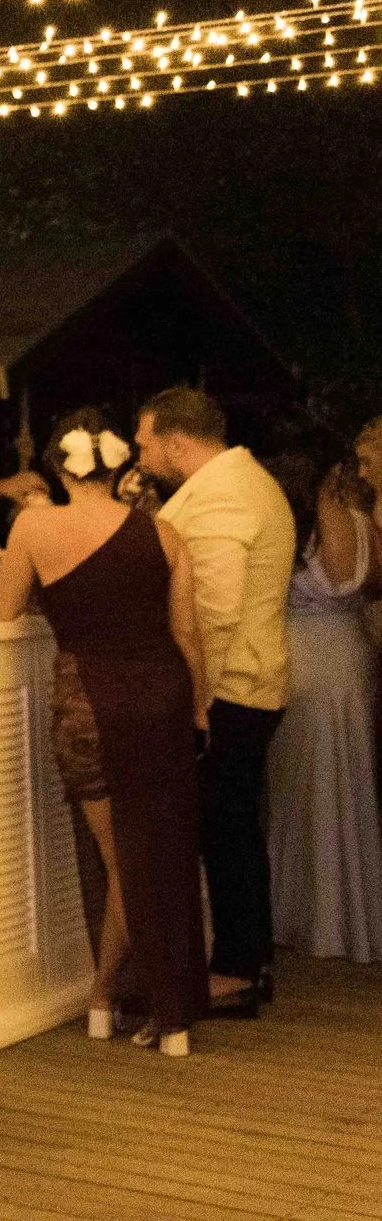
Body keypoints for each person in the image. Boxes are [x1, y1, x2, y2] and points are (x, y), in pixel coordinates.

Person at [0, 410, 209, 1052]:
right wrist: (198, 709)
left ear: (60, 467)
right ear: (120, 467)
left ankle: (108, 998)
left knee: (120, 862)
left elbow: (3, 610)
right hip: (162, 698)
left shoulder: (35, 524)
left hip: (88, 700)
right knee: (159, 854)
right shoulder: (165, 534)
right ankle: (165, 1016)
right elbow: (188, 636)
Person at [138, 386, 295, 1015]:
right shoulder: (247, 481)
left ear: (177, 443)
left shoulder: (225, 495)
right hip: (249, 682)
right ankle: (245, 959)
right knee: (231, 827)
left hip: (232, 687)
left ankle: (238, 967)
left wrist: (195, 701)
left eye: (148, 443)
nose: (143, 454)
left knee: (225, 829)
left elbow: (216, 612)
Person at [263, 437, 382, 963]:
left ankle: (298, 912)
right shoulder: (360, 520)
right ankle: (345, 915)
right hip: (351, 652)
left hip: (299, 657)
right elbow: (366, 583)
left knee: (300, 787)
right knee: (348, 782)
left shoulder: (289, 523)